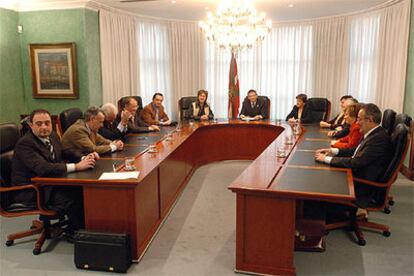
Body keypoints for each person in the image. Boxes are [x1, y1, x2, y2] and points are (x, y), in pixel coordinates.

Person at [11, 109, 98, 233]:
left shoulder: (52, 135)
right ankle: (76, 233)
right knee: (72, 197)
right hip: (31, 189)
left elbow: (65, 152)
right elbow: (43, 168)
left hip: (49, 182)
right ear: (31, 125)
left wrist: (84, 157)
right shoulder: (25, 144)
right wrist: (77, 166)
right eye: (39, 124)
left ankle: (83, 227)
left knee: (84, 190)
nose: (44, 127)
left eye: (47, 123)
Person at [315, 103, 393, 209]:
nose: (357, 122)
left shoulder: (378, 139)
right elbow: (355, 151)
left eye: (360, 119)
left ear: (370, 120)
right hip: (357, 175)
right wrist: (332, 151)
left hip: (362, 185)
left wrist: (327, 159)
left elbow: (356, 162)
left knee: (319, 184)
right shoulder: (373, 133)